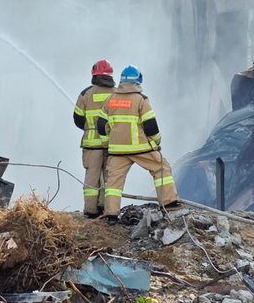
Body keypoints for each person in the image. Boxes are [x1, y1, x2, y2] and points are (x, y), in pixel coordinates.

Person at [97, 65, 182, 224]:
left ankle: (111, 215)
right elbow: (150, 126)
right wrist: (157, 141)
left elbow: (101, 125)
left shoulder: (110, 100)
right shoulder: (141, 100)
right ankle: (169, 202)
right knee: (161, 168)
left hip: (117, 151)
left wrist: (108, 143)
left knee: (113, 183)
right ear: (138, 81)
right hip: (141, 148)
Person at [73, 59, 116, 219]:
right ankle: (106, 209)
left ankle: (91, 211)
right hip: (112, 145)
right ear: (110, 75)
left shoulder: (85, 94)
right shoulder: (117, 94)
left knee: (92, 178)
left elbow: (77, 119)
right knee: (110, 177)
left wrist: (89, 129)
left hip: (91, 146)